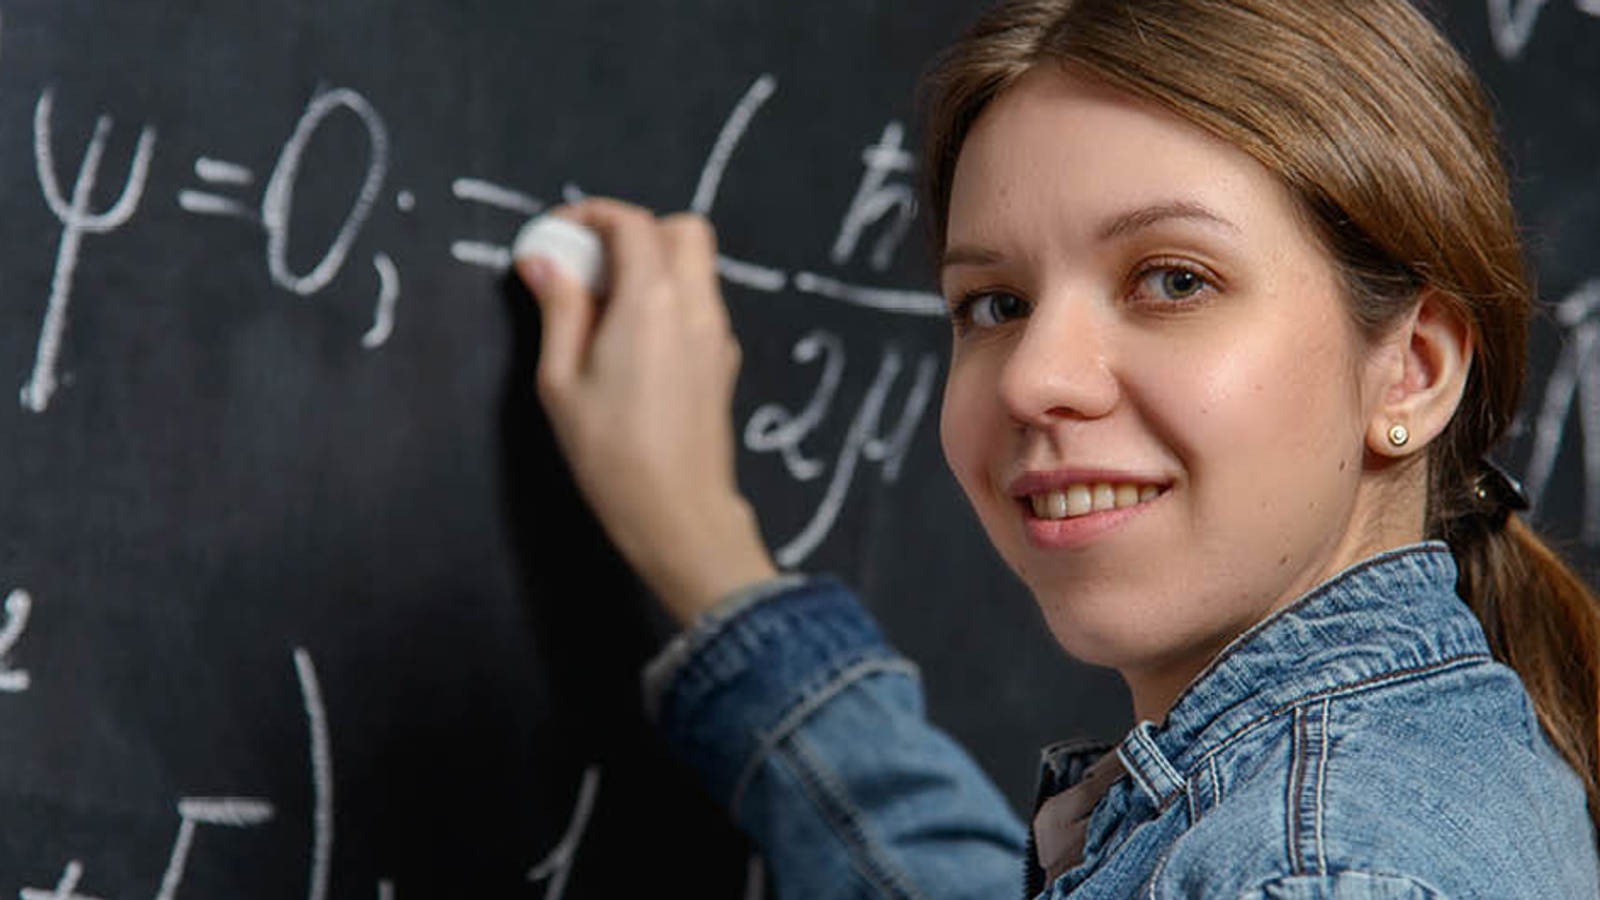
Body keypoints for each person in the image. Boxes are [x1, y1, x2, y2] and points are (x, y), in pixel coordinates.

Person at [513, 0, 1600, 896]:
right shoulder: (1394, 777)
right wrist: (703, 551)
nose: (1032, 378)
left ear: (1411, 369)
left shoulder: (1314, 870)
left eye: (1172, 280)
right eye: (994, 304)